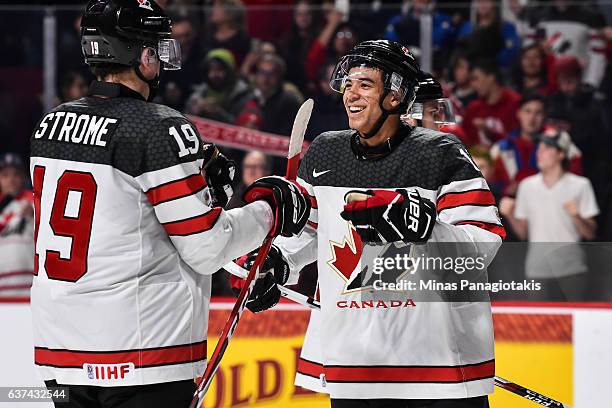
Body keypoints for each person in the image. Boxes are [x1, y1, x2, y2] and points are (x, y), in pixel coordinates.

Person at [30, 1, 310, 407]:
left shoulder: (50, 123)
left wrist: (202, 189)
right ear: (141, 55)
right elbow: (206, 247)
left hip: (60, 349)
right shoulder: (159, 127)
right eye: (156, 48)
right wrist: (269, 210)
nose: (161, 60)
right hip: (140, 352)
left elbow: (120, 219)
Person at [239, 40, 504, 407]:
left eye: (365, 84)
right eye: (348, 83)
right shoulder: (326, 152)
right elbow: (311, 229)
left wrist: (423, 226)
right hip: (354, 360)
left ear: (395, 95)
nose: (351, 93)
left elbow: (482, 244)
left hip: (434, 361)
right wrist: (277, 263)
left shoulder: (440, 154)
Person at [499, 131, 599, 300]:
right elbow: (523, 233)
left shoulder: (580, 185)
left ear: (561, 154)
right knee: (539, 325)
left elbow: (590, 233)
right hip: (537, 269)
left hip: (571, 269)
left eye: (546, 148)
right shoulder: (527, 186)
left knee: (572, 324)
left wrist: (577, 216)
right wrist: (509, 215)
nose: (539, 152)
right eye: (539, 148)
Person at [185, 48, 258, 125]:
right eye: (210, 70)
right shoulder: (201, 91)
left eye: (219, 69)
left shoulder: (243, 94)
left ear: (230, 71)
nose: (214, 75)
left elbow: (242, 127)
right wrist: (194, 110)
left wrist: (218, 112)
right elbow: (184, 117)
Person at [462, 58, 521, 147]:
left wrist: (491, 134)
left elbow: (519, 141)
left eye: (475, 78)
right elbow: (465, 142)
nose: (472, 84)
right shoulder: (473, 109)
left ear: (491, 77)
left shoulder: (515, 103)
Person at [0, 153, 34, 299]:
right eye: (5, 175)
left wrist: (36, 213)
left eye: (16, 174)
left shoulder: (36, 202)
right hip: (2, 284)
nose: (11, 180)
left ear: (24, 178)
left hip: (30, 283)